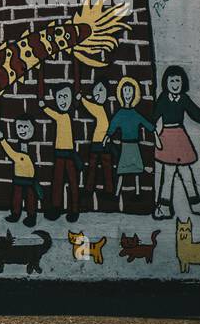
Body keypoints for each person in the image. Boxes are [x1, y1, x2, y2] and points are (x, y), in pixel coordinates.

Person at [152, 66, 200, 219]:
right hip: (167, 136)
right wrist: (156, 138)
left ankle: (195, 204)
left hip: (180, 136)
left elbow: (194, 111)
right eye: (172, 80)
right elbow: (153, 118)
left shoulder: (184, 98)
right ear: (166, 82)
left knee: (186, 171)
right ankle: (164, 206)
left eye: (178, 80)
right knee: (168, 173)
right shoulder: (163, 98)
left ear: (183, 82)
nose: (175, 84)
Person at [106, 76, 157, 208]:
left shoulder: (135, 113)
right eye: (125, 91)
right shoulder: (120, 113)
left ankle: (138, 192)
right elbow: (113, 125)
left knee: (137, 170)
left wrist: (154, 131)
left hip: (134, 145)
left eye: (130, 91)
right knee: (122, 169)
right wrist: (108, 135)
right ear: (121, 94)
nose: (127, 94)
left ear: (134, 94)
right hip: (125, 145)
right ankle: (117, 193)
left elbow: (146, 123)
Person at [39, 84, 81, 222]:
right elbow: (50, 112)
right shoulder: (58, 115)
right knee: (57, 182)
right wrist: (43, 106)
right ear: (56, 100)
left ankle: (74, 210)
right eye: (60, 97)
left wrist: (79, 98)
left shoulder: (69, 114)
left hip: (69, 155)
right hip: (58, 155)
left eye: (66, 96)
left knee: (73, 183)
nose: (63, 100)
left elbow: (75, 104)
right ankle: (56, 208)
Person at [0, 116, 41, 226]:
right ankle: (15, 214)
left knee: (30, 198)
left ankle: (31, 216)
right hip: (18, 177)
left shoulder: (30, 148)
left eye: (25, 127)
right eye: (19, 127)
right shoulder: (19, 151)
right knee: (17, 197)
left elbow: (13, 154)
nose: (22, 130)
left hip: (29, 179)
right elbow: (11, 153)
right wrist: (2, 140)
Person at [81, 79, 115, 211]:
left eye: (101, 90)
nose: (98, 94)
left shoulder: (101, 109)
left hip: (103, 142)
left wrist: (82, 98)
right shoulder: (99, 108)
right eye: (96, 91)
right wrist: (82, 98)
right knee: (94, 166)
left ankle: (108, 190)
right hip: (96, 141)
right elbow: (90, 106)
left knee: (105, 167)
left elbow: (89, 106)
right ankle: (91, 189)